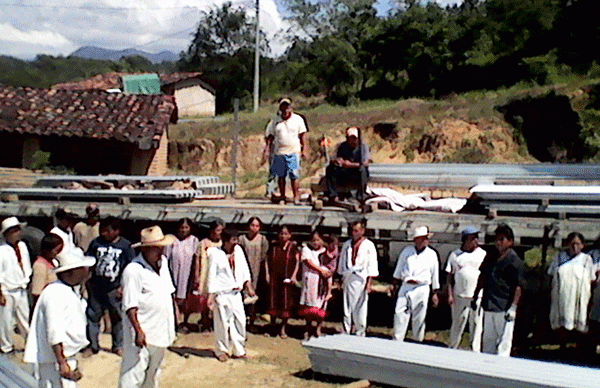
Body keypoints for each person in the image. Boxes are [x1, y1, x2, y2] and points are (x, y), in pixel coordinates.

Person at [24, 248, 95, 388]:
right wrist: (62, 362)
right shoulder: (55, 294)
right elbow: (54, 330)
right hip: (55, 361)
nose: (87, 272)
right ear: (72, 271)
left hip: (65, 357)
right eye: (83, 268)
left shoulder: (68, 291)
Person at [119, 226, 176, 388]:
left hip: (161, 329)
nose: (162, 251)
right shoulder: (133, 270)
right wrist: (138, 331)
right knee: (133, 374)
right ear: (146, 249)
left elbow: (168, 291)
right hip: (143, 330)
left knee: (153, 373)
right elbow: (130, 305)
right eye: (158, 248)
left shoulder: (163, 264)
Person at [84, 216, 135, 356]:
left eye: (107, 231)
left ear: (116, 231)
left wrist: (124, 286)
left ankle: (118, 345)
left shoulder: (125, 246)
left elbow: (130, 267)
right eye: (102, 230)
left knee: (117, 317)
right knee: (93, 316)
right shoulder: (96, 243)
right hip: (96, 286)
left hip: (115, 287)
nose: (103, 234)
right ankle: (92, 345)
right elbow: (89, 261)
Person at [472, 223, 525, 357]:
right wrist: (475, 296)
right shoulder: (490, 257)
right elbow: (482, 277)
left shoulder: (514, 261)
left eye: (502, 239)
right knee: (488, 340)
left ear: (511, 241)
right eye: (497, 239)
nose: (499, 242)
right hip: (489, 305)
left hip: (504, 307)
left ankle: (501, 370)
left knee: (503, 342)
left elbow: (518, 285)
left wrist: (513, 307)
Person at [207, 230, 255, 362]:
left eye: (236, 239)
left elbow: (245, 269)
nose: (235, 242)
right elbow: (211, 275)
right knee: (222, 322)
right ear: (226, 240)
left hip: (236, 293)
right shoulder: (214, 253)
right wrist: (211, 295)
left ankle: (239, 350)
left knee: (240, 321)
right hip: (222, 293)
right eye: (233, 240)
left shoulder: (238, 250)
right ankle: (221, 350)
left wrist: (248, 285)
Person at [392, 226, 440, 342]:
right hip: (406, 285)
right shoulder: (407, 252)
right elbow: (398, 270)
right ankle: (397, 340)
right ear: (416, 239)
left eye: (426, 238)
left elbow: (435, 274)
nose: (425, 241)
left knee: (419, 317)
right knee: (400, 314)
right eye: (423, 238)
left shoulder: (432, 254)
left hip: (422, 287)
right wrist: (394, 286)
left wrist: (435, 293)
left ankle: (417, 341)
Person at [445, 226, 486, 351]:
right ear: (466, 240)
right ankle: (453, 346)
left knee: (476, 324)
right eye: (473, 238)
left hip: (477, 297)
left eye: (476, 238)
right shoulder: (455, 255)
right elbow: (449, 276)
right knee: (458, 322)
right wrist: (450, 295)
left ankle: (475, 349)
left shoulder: (482, 254)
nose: (476, 241)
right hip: (460, 296)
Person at [262, 98, 309, 205]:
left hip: (293, 151)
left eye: (287, 106)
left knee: (294, 174)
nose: (285, 109)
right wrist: (267, 149)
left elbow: (303, 135)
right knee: (281, 175)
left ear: (290, 107)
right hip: (279, 152)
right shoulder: (275, 121)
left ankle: (296, 196)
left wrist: (304, 149)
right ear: (280, 108)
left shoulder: (298, 119)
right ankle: (282, 196)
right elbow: (270, 136)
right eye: (283, 106)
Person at [547, 232, 595, 338]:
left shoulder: (586, 259)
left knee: (577, 320)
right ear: (568, 244)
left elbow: (591, 279)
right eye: (572, 243)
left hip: (578, 296)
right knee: (562, 324)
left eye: (578, 244)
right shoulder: (560, 257)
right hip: (562, 296)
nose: (575, 246)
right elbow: (552, 273)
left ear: (582, 245)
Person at [337, 220, 379, 337]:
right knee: (347, 306)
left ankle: (360, 331)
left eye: (357, 230)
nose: (354, 233)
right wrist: (341, 278)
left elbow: (372, 265)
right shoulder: (347, 244)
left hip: (361, 278)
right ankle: (346, 329)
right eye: (353, 230)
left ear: (362, 231)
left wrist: (369, 282)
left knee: (360, 306)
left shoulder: (368, 245)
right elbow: (342, 262)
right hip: (348, 276)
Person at [0, 216, 31, 354]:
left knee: (25, 319)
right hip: (8, 290)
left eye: (18, 230)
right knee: (5, 322)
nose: (17, 233)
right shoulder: (1, 250)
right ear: (7, 233)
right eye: (13, 231)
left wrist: (27, 279)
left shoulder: (22, 246)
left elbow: (27, 265)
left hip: (21, 288)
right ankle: (6, 347)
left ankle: (29, 345)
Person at [164, 218, 200, 332]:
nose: (183, 230)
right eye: (181, 227)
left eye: (186, 227)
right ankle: (176, 322)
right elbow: (165, 258)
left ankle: (185, 321)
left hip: (187, 273)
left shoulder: (194, 240)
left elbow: (196, 258)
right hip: (173, 272)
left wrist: (196, 275)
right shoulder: (171, 239)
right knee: (173, 297)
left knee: (186, 298)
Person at [298, 230, 334, 339]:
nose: (315, 242)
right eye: (313, 240)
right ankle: (307, 328)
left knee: (320, 307)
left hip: (322, 283)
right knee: (309, 307)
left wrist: (327, 273)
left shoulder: (326, 252)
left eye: (318, 240)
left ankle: (318, 328)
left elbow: (330, 265)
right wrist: (320, 270)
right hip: (310, 282)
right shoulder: (306, 250)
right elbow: (308, 262)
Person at [265, 225, 300, 338]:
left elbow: (298, 262)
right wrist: (267, 274)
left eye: (286, 233)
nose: (283, 236)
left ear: (289, 235)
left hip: (287, 278)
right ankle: (272, 326)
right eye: (281, 233)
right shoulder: (274, 246)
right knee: (273, 302)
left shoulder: (293, 247)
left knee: (285, 303)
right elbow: (266, 260)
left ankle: (283, 328)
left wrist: (294, 276)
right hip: (274, 277)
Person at [325, 126, 370, 202]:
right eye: (351, 138)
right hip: (345, 172)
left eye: (354, 138)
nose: (353, 141)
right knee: (330, 168)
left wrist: (351, 164)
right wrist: (337, 161)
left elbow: (365, 163)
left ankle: (360, 196)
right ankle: (333, 195)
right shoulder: (342, 146)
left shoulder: (363, 147)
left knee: (363, 170)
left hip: (356, 173)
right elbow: (333, 158)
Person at [238, 217, 269, 326]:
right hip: (243, 268)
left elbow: (264, 256)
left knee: (254, 295)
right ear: (248, 226)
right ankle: (241, 319)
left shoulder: (262, 239)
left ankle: (252, 320)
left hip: (257, 269)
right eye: (252, 225)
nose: (254, 228)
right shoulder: (242, 239)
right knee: (242, 293)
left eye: (257, 226)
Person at [196, 219, 225, 331]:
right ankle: (204, 321)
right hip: (206, 272)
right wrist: (197, 276)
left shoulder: (222, 242)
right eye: (217, 230)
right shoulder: (204, 243)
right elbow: (198, 259)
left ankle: (216, 322)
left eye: (221, 230)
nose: (219, 232)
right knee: (205, 298)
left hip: (219, 273)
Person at [31, 233, 63, 308]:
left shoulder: (53, 262)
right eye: (56, 250)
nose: (57, 253)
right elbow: (37, 291)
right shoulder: (40, 265)